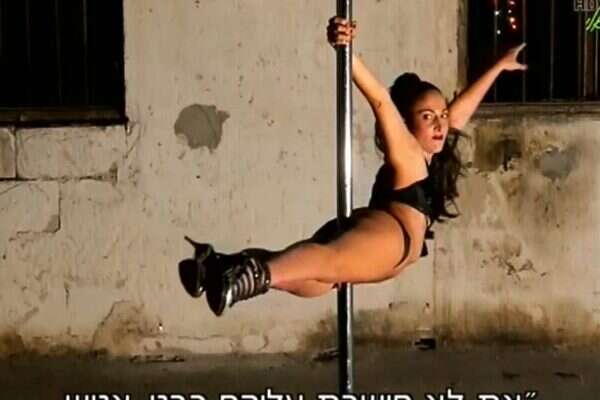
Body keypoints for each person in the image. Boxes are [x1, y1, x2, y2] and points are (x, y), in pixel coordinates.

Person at [178, 17, 527, 317]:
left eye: (442, 116)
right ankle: (246, 276)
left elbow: (460, 111)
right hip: (390, 235)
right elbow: (380, 100)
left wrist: (497, 66)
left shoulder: (428, 150)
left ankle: (220, 264)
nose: (440, 124)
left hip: (375, 227)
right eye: (427, 117)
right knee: (323, 263)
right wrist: (347, 51)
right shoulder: (407, 152)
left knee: (313, 278)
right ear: (406, 123)